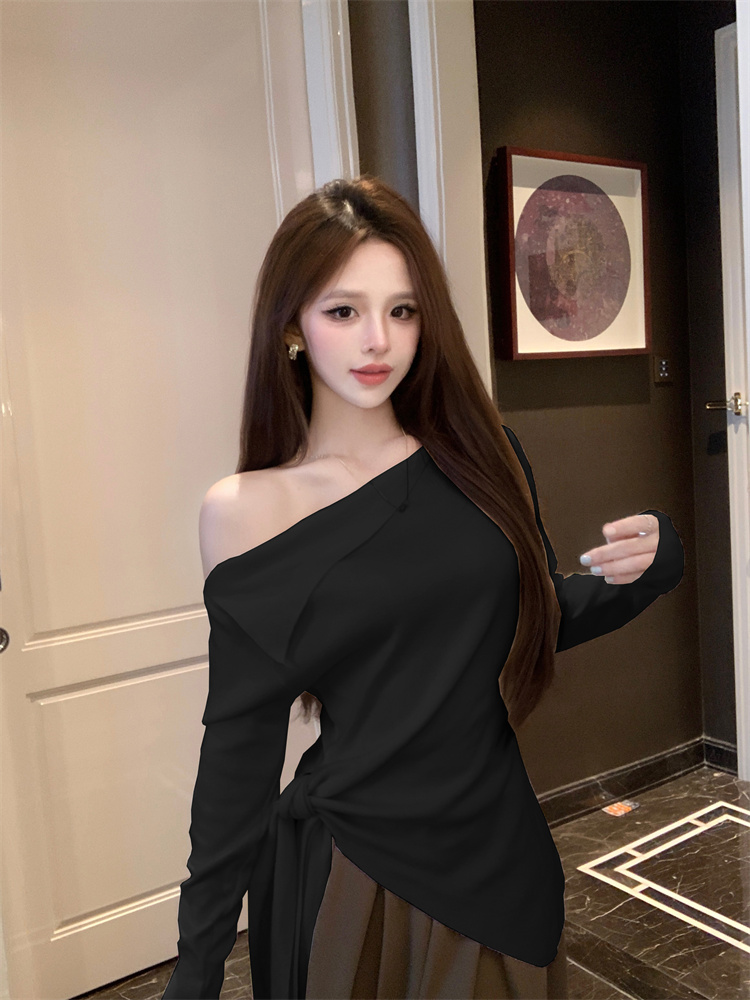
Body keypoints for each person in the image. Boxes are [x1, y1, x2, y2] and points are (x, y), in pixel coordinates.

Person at [161, 175, 684, 1000]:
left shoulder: (484, 456)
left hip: (502, 853)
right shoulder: (248, 511)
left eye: (402, 310)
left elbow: (532, 618)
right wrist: (194, 975)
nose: (378, 340)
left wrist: (651, 571)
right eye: (343, 311)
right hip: (358, 878)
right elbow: (239, 758)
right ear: (292, 326)